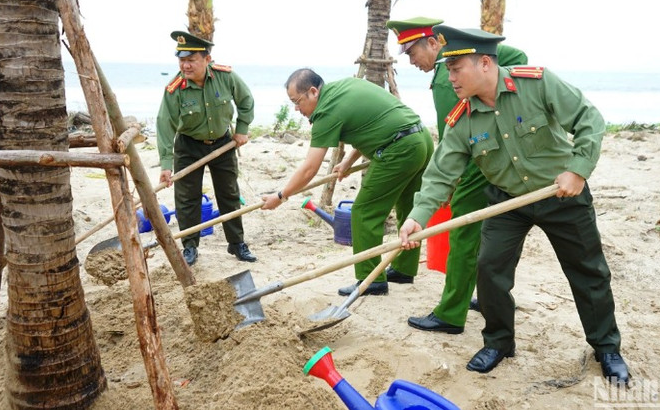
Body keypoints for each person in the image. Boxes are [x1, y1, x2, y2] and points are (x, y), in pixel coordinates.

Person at [398, 26, 629, 384]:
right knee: (490, 270)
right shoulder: (463, 119)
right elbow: (440, 174)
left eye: (456, 69)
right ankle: (499, 342)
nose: (450, 77)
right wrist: (417, 218)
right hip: (507, 202)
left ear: (485, 63)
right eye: (448, 69)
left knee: (588, 273)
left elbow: (590, 120)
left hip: (560, 194)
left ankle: (607, 348)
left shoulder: (537, 84)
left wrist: (578, 170)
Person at [386, 17, 528, 335]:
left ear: (434, 44)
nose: (411, 62)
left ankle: (451, 314)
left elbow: (452, 140)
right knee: (488, 233)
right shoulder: (465, 66)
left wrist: (451, 182)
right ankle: (484, 296)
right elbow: (517, 57)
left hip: (477, 164)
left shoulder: (442, 80)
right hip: (500, 159)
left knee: (464, 235)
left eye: (412, 53)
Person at [261, 68, 434, 296]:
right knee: (408, 207)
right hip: (420, 139)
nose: (296, 108)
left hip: (399, 150)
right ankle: (404, 268)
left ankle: (370, 280)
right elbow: (368, 124)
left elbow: (310, 168)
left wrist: (281, 196)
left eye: (297, 101)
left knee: (364, 212)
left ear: (313, 92)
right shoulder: (342, 87)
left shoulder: (325, 111)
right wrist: (347, 161)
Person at [156, 30, 257, 265]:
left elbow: (246, 100)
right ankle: (190, 246)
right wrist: (166, 163)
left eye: (191, 60)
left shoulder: (226, 77)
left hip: (222, 143)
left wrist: (241, 129)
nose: (185, 66)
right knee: (187, 199)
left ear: (207, 59)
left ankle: (237, 243)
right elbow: (164, 126)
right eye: (182, 60)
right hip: (189, 146)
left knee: (229, 194)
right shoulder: (175, 88)